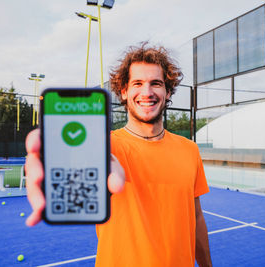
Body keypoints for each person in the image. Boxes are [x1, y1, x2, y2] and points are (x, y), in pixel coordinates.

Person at [24, 42, 212, 267]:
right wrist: (46, 160)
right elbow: (73, 158)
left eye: (156, 83)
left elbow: (197, 218)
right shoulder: (105, 146)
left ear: (168, 91)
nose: (147, 92)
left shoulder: (189, 149)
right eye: (138, 83)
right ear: (124, 91)